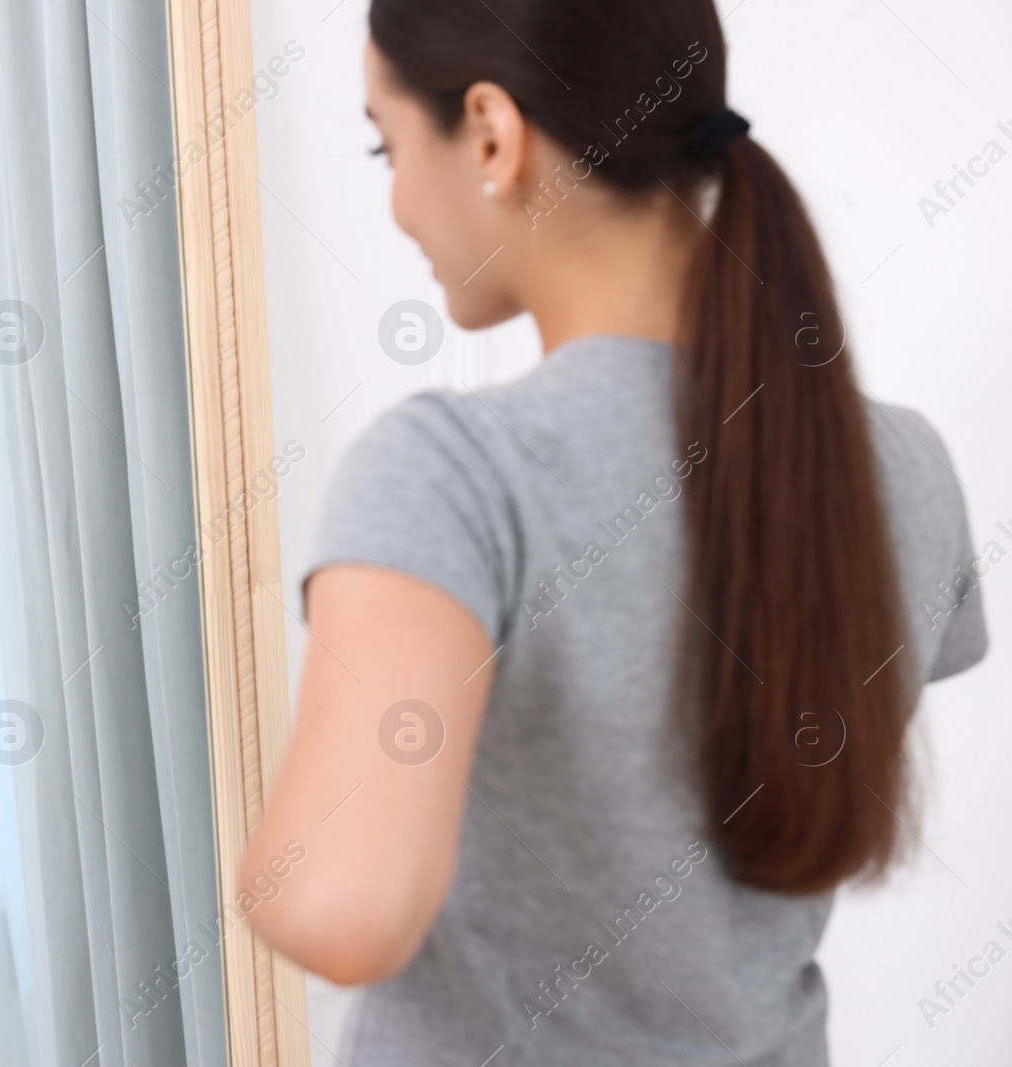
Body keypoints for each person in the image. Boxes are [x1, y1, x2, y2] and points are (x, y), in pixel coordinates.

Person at [238, 1, 988, 1064]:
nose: (399, 201)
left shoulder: (452, 472)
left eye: (386, 144)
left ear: (491, 133)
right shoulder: (902, 462)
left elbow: (341, 906)